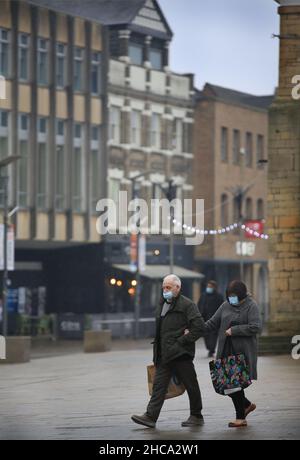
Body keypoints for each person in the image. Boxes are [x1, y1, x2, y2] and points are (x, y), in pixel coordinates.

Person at [131, 274, 206, 428]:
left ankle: (196, 415)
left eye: (168, 287)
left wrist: (182, 341)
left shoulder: (187, 305)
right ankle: (150, 416)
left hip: (180, 353)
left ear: (177, 288)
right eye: (164, 287)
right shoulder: (162, 304)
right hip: (164, 353)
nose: (165, 290)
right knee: (158, 385)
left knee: (191, 384)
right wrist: (157, 352)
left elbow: (199, 327)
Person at [205, 280, 261, 428]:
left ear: (242, 295)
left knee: (235, 385)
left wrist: (234, 330)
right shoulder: (225, 305)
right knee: (226, 385)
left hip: (242, 352)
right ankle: (247, 405)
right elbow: (212, 323)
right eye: (229, 296)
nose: (232, 299)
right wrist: (195, 330)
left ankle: (240, 418)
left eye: (234, 296)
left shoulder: (251, 305)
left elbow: (255, 327)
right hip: (226, 350)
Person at [198, 280, 224, 358]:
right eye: (208, 286)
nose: (208, 288)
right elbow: (199, 305)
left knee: (213, 335)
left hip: (215, 319)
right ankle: (209, 348)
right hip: (204, 318)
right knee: (206, 335)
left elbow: (221, 307)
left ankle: (211, 350)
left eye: (210, 287)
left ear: (214, 287)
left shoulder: (219, 296)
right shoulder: (203, 295)